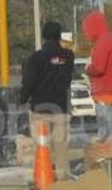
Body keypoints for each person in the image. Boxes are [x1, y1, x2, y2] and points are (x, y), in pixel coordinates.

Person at [19, 21, 74, 179]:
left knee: (43, 147)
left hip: (40, 109)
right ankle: (63, 182)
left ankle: (45, 180)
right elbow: (67, 81)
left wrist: (23, 98)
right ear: (59, 36)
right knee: (61, 148)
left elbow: (29, 82)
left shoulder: (36, 58)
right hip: (60, 109)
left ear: (43, 37)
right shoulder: (68, 57)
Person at [82, 11, 112, 143]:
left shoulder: (103, 41)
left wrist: (88, 70)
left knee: (104, 136)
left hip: (105, 94)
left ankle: (106, 162)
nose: (86, 34)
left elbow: (98, 67)